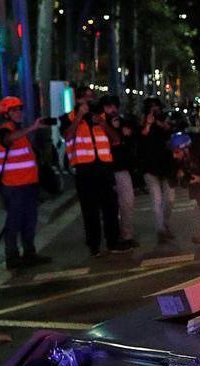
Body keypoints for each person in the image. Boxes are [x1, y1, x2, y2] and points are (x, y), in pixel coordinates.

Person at [62, 86, 131, 257]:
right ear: (78, 100)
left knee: (110, 206)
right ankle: (94, 245)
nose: (89, 100)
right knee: (90, 210)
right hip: (84, 169)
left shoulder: (101, 117)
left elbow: (116, 139)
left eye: (91, 97)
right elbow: (68, 136)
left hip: (104, 168)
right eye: (85, 97)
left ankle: (113, 241)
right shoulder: (68, 117)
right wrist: (79, 116)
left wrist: (102, 123)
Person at [0, 96, 51, 270]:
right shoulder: (5, 130)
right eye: (14, 110)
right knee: (15, 222)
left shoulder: (18, 131)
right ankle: (12, 257)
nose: (19, 113)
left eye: (20, 109)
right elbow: (9, 139)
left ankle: (29, 253)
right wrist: (32, 127)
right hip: (14, 186)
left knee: (29, 221)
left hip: (27, 185)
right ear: (6, 114)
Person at [99, 95, 139, 248]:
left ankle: (127, 235)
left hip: (121, 168)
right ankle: (114, 236)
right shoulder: (98, 123)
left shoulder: (122, 122)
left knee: (127, 202)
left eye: (114, 106)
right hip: (105, 169)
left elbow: (128, 140)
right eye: (109, 107)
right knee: (109, 206)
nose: (112, 110)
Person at [139, 98, 176, 244]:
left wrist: (161, 123)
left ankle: (164, 223)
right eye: (151, 108)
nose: (154, 110)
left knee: (170, 199)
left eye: (156, 107)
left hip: (167, 167)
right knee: (156, 200)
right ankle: (160, 230)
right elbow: (141, 136)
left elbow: (171, 134)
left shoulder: (164, 120)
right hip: (150, 167)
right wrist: (148, 123)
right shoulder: (142, 122)